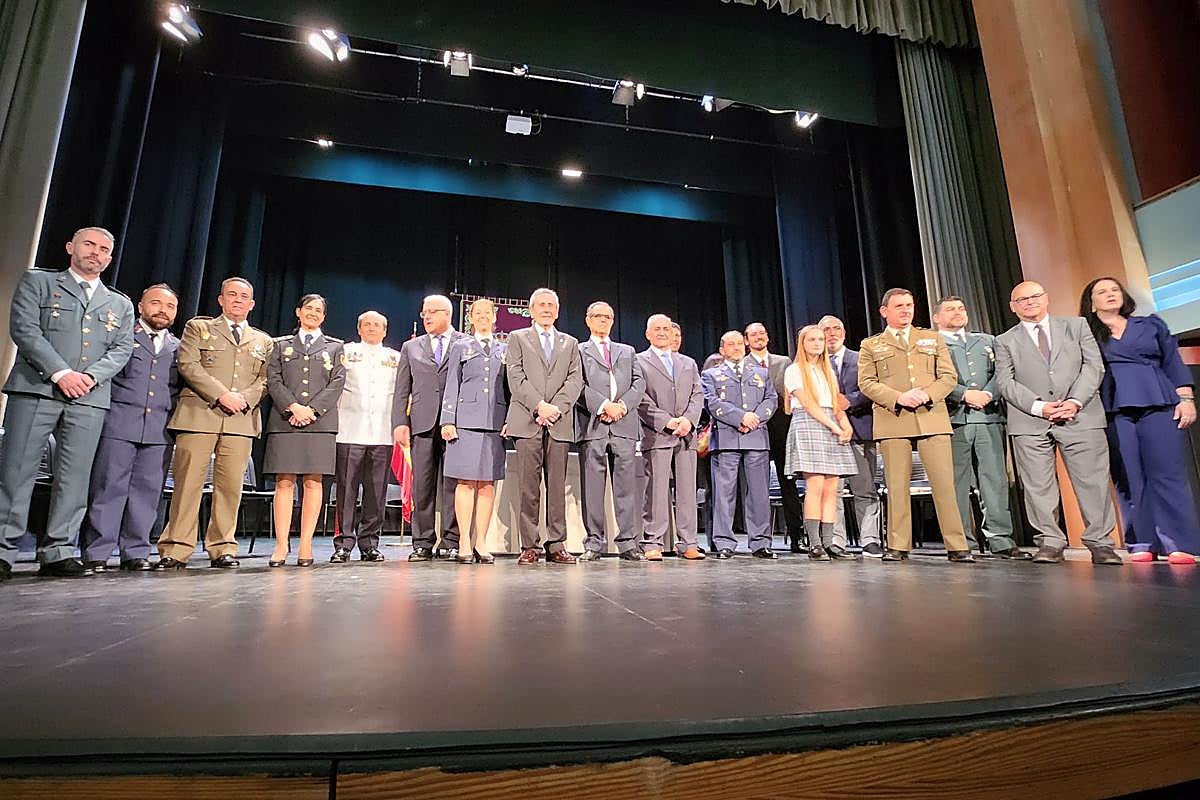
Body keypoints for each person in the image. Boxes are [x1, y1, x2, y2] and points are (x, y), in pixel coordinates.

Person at [0, 226, 135, 580]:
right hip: (37, 388)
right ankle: (3, 548)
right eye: (89, 244)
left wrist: (89, 378)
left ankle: (58, 551)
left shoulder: (119, 303)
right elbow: (25, 329)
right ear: (70, 246)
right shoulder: (39, 282)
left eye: (104, 248)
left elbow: (121, 349)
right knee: (17, 472)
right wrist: (61, 373)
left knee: (74, 478)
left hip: (89, 397)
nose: (96, 252)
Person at [993, 280, 1121, 565]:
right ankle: (1050, 541)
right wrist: (1040, 407)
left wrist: (1074, 401)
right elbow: (1005, 382)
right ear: (1013, 308)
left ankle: (1100, 542)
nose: (1029, 302)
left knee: (1093, 482)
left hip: (1081, 414)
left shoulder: (1076, 327)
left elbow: (1093, 366)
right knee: (1038, 486)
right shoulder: (1004, 340)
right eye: (1022, 300)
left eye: (1035, 296)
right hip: (1030, 420)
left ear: (1046, 298)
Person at [155, 277, 272, 570]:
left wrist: (243, 398)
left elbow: (266, 380)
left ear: (252, 304)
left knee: (230, 487)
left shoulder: (263, 340)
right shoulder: (199, 327)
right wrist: (221, 395)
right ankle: (177, 547)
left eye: (243, 296)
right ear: (220, 299)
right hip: (199, 415)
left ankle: (222, 547)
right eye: (231, 295)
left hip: (241, 420)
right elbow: (188, 365)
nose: (237, 300)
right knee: (188, 484)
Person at [1080, 277, 1198, 564]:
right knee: (1127, 476)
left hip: (1158, 401)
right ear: (1091, 303)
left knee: (1167, 473)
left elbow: (1172, 361)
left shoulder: (1150, 325)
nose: (1110, 295)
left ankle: (1180, 542)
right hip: (1114, 409)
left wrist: (1186, 399)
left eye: (1114, 290)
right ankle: (1142, 541)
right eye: (1102, 292)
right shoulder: (1086, 333)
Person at [857, 288, 975, 563]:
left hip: (931, 416)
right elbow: (867, 382)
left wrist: (928, 394)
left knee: (945, 484)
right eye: (899, 306)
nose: (906, 310)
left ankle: (957, 545)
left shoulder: (931, 338)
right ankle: (898, 545)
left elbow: (948, 376)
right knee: (897, 486)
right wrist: (898, 397)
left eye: (909, 305)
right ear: (884, 311)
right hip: (893, 419)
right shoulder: (871, 345)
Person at [80, 284, 180, 572]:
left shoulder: (178, 346)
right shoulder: (123, 338)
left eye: (170, 306)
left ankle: (135, 551)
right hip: (119, 423)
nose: (162, 310)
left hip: (159, 430)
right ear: (141, 306)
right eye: (156, 303)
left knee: (147, 493)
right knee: (108, 488)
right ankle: (97, 551)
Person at [932, 297, 1026, 559]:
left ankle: (1001, 539)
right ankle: (962, 541)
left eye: (961, 308)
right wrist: (963, 394)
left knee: (994, 480)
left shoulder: (986, 340)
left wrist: (988, 393)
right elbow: (933, 377)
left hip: (988, 416)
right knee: (956, 484)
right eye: (950, 309)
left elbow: (1002, 373)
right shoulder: (931, 344)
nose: (958, 313)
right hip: (953, 420)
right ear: (936, 317)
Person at [265, 294, 345, 567]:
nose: (313, 313)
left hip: (319, 423)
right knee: (284, 482)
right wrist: (293, 407)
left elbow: (337, 383)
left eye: (318, 310)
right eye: (308, 308)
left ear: (323, 316)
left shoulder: (335, 347)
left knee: (314, 482)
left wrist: (311, 411)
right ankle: (280, 545)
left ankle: (306, 544)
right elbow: (273, 380)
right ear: (298, 312)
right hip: (285, 420)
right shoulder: (280, 345)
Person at [505, 288, 584, 565]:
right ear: (532, 310)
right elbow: (515, 376)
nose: (547, 309)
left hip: (559, 423)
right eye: (542, 305)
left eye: (551, 305)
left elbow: (576, 380)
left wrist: (556, 408)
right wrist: (539, 406)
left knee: (557, 486)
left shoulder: (570, 342)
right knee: (529, 487)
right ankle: (530, 545)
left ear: (558, 311)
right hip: (527, 420)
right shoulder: (517, 338)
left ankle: (556, 544)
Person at [391, 294, 467, 561]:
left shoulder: (464, 343)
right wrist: (399, 422)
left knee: (451, 484)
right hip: (421, 424)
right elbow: (402, 389)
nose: (427, 317)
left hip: (455, 425)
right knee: (421, 485)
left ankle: (451, 540)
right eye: (424, 312)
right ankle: (422, 541)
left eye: (433, 312)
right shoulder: (411, 347)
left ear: (447, 314)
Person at [574, 301, 647, 562]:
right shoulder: (578, 350)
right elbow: (576, 385)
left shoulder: (627, 351)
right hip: (593, 424)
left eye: (607, 316)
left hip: (624, 425)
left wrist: (622, 406)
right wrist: (604, 406)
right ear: (588, 320)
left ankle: (628, 543)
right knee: (592, 487)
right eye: (597, 316)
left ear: (613, 321)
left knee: (626, 487)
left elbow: (639, 383)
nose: (603, 320)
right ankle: (594, 542)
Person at [440, 298, 508, 564]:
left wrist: (510, 418)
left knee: (487, 484)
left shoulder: (505, 348)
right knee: (465, 482)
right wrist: (448, 420)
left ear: (494, 317)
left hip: (494, 422)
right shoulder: (460, 347)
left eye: (486, 313)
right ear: (470, 318)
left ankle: (482, 541)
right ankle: (465, 542)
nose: (482, 316)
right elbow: (451, 383)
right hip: (465, 422)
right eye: (477, 313)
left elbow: (510, 388)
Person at [784, 325, 857, 560]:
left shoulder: (828, 371)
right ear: (802, 343)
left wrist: (845, 425)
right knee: (815, 486)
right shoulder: (794, 370)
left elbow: (836, 404)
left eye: (820, 340)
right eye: (812, 340)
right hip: (810, 424)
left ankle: (830, 543)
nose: (817, 344)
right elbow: (809, 405)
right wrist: (834, 426)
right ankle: (814, 543)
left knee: (831, 488)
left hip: (830, 423)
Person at [702, 330, 777, 559]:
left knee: (759, 493)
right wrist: (740, 418)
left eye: (738, 344)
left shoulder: (761, 373)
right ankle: (724, 542)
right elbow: (711, 403)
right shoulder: (711, 374)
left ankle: (761, 542)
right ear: (722, 350)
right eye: (730, 345)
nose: (735, 348)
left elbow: (771, 399)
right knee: (724, 493)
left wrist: (754, 418)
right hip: (726, 438)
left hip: (756, 437)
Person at [637, 314, 706, 560]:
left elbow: (698, 395)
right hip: (657, 434)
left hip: (686, 435)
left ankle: (688, 543)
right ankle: (652, 542)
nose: (663, 332)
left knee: (687, 491)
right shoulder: (639, 361)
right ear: (648, 334)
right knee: (656, 490)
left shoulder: (688, 362)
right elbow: (640, 399)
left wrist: (688, 420)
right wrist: (666, 421)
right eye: (657, 329)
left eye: (666, 328)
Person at [332, 310, 399, 563]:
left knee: (376, 492)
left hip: (382, 433)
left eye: (377, 325)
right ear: (359, 329)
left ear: (385, 330)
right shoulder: (345, 352)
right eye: (367, 324)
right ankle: (343, 543)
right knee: (346, 490)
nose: (372, 328)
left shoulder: (395, 357)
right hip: (349, 430)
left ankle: (370, 543)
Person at [819, 315, 883, 557]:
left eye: (836, 329)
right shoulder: (814, 365)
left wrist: (851, 401)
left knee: (865, 488)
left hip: (860, 431)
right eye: (826, 330)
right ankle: (836, 540)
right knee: (833, 491)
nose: (832, 333)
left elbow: (872, 387)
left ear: (844, 333)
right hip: (827, 434)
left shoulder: (861, 358)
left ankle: (869, 539)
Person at [744, 322, 804, 552]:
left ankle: (797, 537)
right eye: (754, 334)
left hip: (781, 427)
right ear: (747, 340)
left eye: (762, 333)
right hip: (755, 427)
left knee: (788, 481)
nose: (759, 337)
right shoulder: (744, 364)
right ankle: (758, 539)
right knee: (755, 485)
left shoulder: (783, 362)